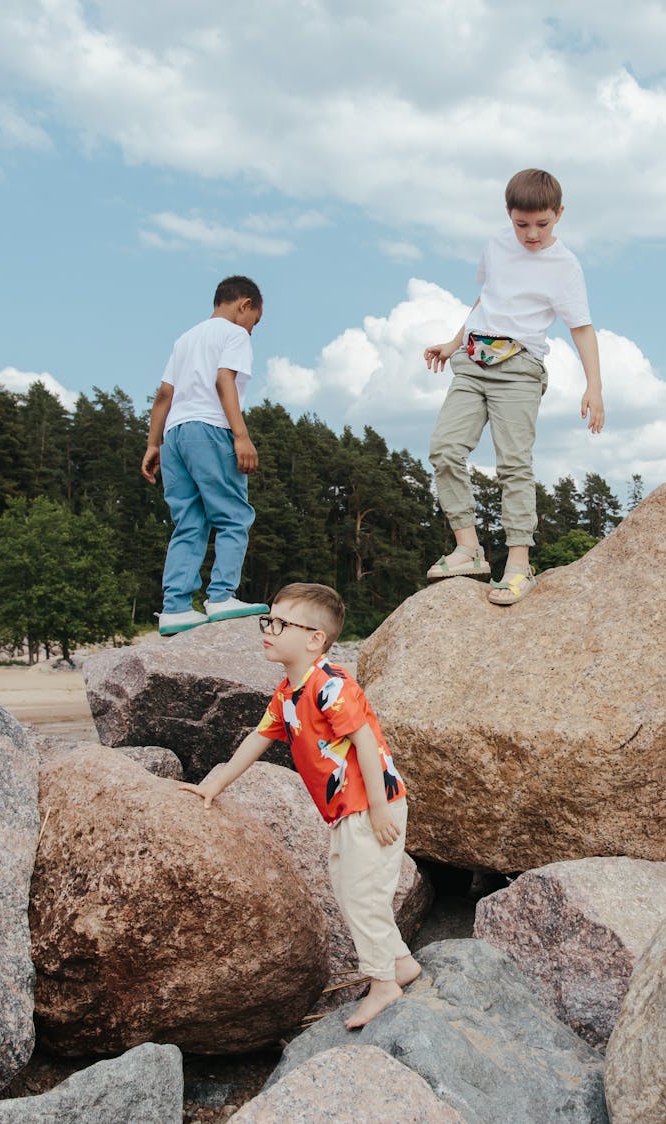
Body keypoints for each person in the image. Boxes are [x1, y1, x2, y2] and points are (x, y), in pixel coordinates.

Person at [179, 582, 421, 1028]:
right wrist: (216, 783)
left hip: (369, 805)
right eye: (267, 620)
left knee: (364, 894)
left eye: (280, 623)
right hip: (346, 809)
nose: (267, 630)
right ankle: (400, 962)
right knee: (351, 890)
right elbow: (258, 739)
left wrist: (382, 809)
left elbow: (366, 743)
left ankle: (383, 984)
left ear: (314, 638)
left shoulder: (330, 685)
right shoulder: (288, 692)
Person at [425, 169, 604, 605]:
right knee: (444, 450)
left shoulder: (565, 266)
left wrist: (594, 386)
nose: (531, 234)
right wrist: (453, 342)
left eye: (542, 224)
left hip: (520, 366)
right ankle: (468, 549)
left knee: (513, 465)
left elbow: (581, 328)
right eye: (522, 224)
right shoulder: (496, 245)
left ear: (558, 215)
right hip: (472, 358)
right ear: (509, 216)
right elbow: (486, 299)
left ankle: (520, 565)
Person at [142, 275, 270, 635]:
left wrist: (153, 444)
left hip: (174, 435)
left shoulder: (185, 339)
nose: (252, 329)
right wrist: (241, 436)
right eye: (254, 320)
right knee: (233, 515)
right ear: (244, 304)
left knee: (189, 521)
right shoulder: (234, 335)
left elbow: (164, 395)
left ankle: (176, 607)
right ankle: (221, 596)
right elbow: (224, 379)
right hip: (210, 429)